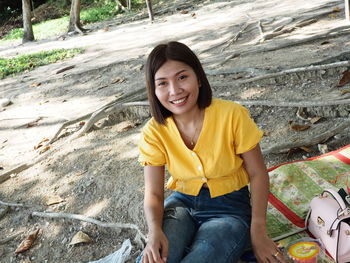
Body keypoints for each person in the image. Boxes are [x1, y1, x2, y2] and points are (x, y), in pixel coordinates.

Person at [136, 41, 286, 263]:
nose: (175, 90)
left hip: (230, 209)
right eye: (162, 83)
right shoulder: (153, 131)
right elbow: (154, 194)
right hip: (181, 205)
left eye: (182, 77)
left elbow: (257, 173)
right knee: (156, 258)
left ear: (198, 77)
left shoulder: (232, 115)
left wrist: (258, 230)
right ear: (154, 90)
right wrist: (154, 232)